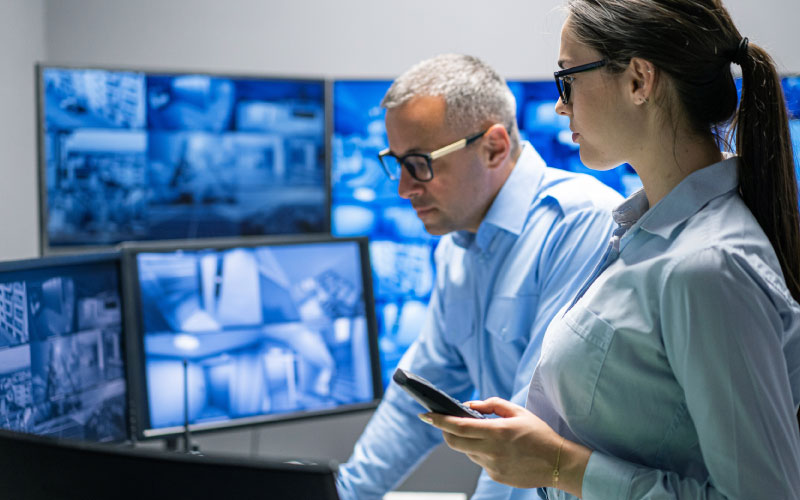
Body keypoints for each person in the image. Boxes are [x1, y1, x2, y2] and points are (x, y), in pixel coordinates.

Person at [421, 1, 800, 499]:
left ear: (639, 80)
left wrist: (560, 464)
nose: (561, 104)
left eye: (568, 78)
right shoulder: (644, 233)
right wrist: (544, 440)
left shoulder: (707, 265)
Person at [336, 54, 623, 499]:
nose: (404, 188)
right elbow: (415, 398)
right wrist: (341, 494)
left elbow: (526, 434)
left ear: (494, 146)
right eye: (396, 162)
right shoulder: (457, 245)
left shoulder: (579, 224)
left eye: (419, 163)